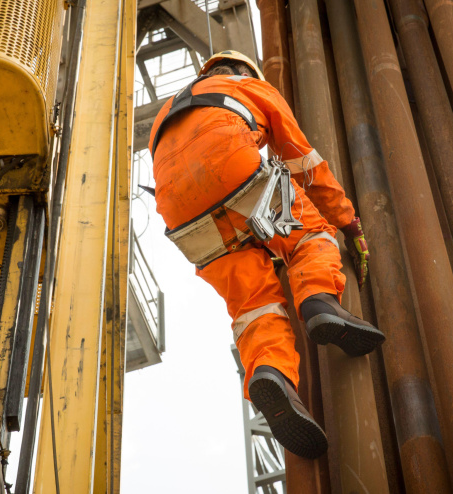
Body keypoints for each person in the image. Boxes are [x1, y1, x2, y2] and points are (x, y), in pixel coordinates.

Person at [148, 50, 385, 459]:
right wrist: (347, 223)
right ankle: (319, 302)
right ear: (246, 71)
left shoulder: (165, 114)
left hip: (180, 212)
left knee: (252, 303)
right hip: (231, 164)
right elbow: (304, 163)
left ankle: (271, 372)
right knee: (310, 236)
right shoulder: (247, 86)